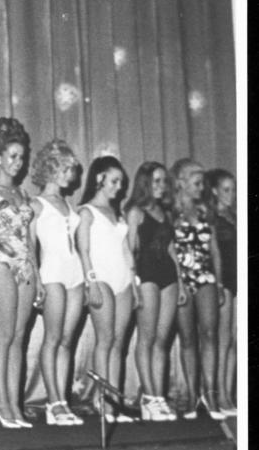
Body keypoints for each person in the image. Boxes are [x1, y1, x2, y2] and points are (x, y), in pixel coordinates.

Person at [0, 117, 40, 429]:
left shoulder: (22, 194)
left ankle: (15, 405)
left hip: (24, 266)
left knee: (19, 337)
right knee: (3, 336)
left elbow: (30, 239)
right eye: (12, 156)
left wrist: (38, 275)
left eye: (21, 157)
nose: (18, 162)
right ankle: (0, 404)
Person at [76, 155, 139, 423]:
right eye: (114, 181)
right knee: (105, 340)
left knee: (118, 343)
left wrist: (134, 284)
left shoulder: (117, 213)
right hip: (100, 278)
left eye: (121, 183)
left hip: (123, 280)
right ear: (99, 179)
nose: (119, 187)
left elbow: (126, 251)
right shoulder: (86, 211)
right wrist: (90, 282)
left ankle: (114, 400)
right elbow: (83, 250)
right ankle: (103, 400)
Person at [29, 140, 85, 426]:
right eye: (64, 169)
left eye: (71, 170)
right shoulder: (36, 205)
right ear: (50, 169)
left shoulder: (67, 203)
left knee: (66, 340)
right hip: (51, 273)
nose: (69, 175)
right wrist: (36, 280)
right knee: (52, 338)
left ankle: (62, 400)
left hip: (75, 273)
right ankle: (53, 402)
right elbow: (29, 247)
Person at [125, 163, 182, 421]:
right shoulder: (135, 212)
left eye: (163, 181)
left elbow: (171, 249)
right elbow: (130, 250)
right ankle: (148, 397)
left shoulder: (165, 212)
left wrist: (180, 282)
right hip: (146, 276)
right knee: (146, 339)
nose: (161, 186)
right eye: (156, 181)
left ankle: (158, 397)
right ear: (145, 183)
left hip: (168, 277)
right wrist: (133, 283)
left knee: (162, 340)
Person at [170, 158, 225, 420]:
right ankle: (193, 397)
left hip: (205, 278)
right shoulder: (171, 212)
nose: (201, 188)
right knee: (188, 338)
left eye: (202, 184)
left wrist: (219, 282)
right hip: (181, 279)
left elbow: (215, 250)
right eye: (196, 183)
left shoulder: (205, 211)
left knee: (210, 334)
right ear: (181, 183)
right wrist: (178, 282)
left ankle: (211, 395)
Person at [206, 168, 236, 416]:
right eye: (226, 190)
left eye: (233, 190)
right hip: (223, 280)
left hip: (237, 280)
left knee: (234, 341)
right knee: (223, 340)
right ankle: (220, 395)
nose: (232, 194)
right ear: (214, 191)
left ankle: (228, 392)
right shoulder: (212, 217)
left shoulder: (234, 215)